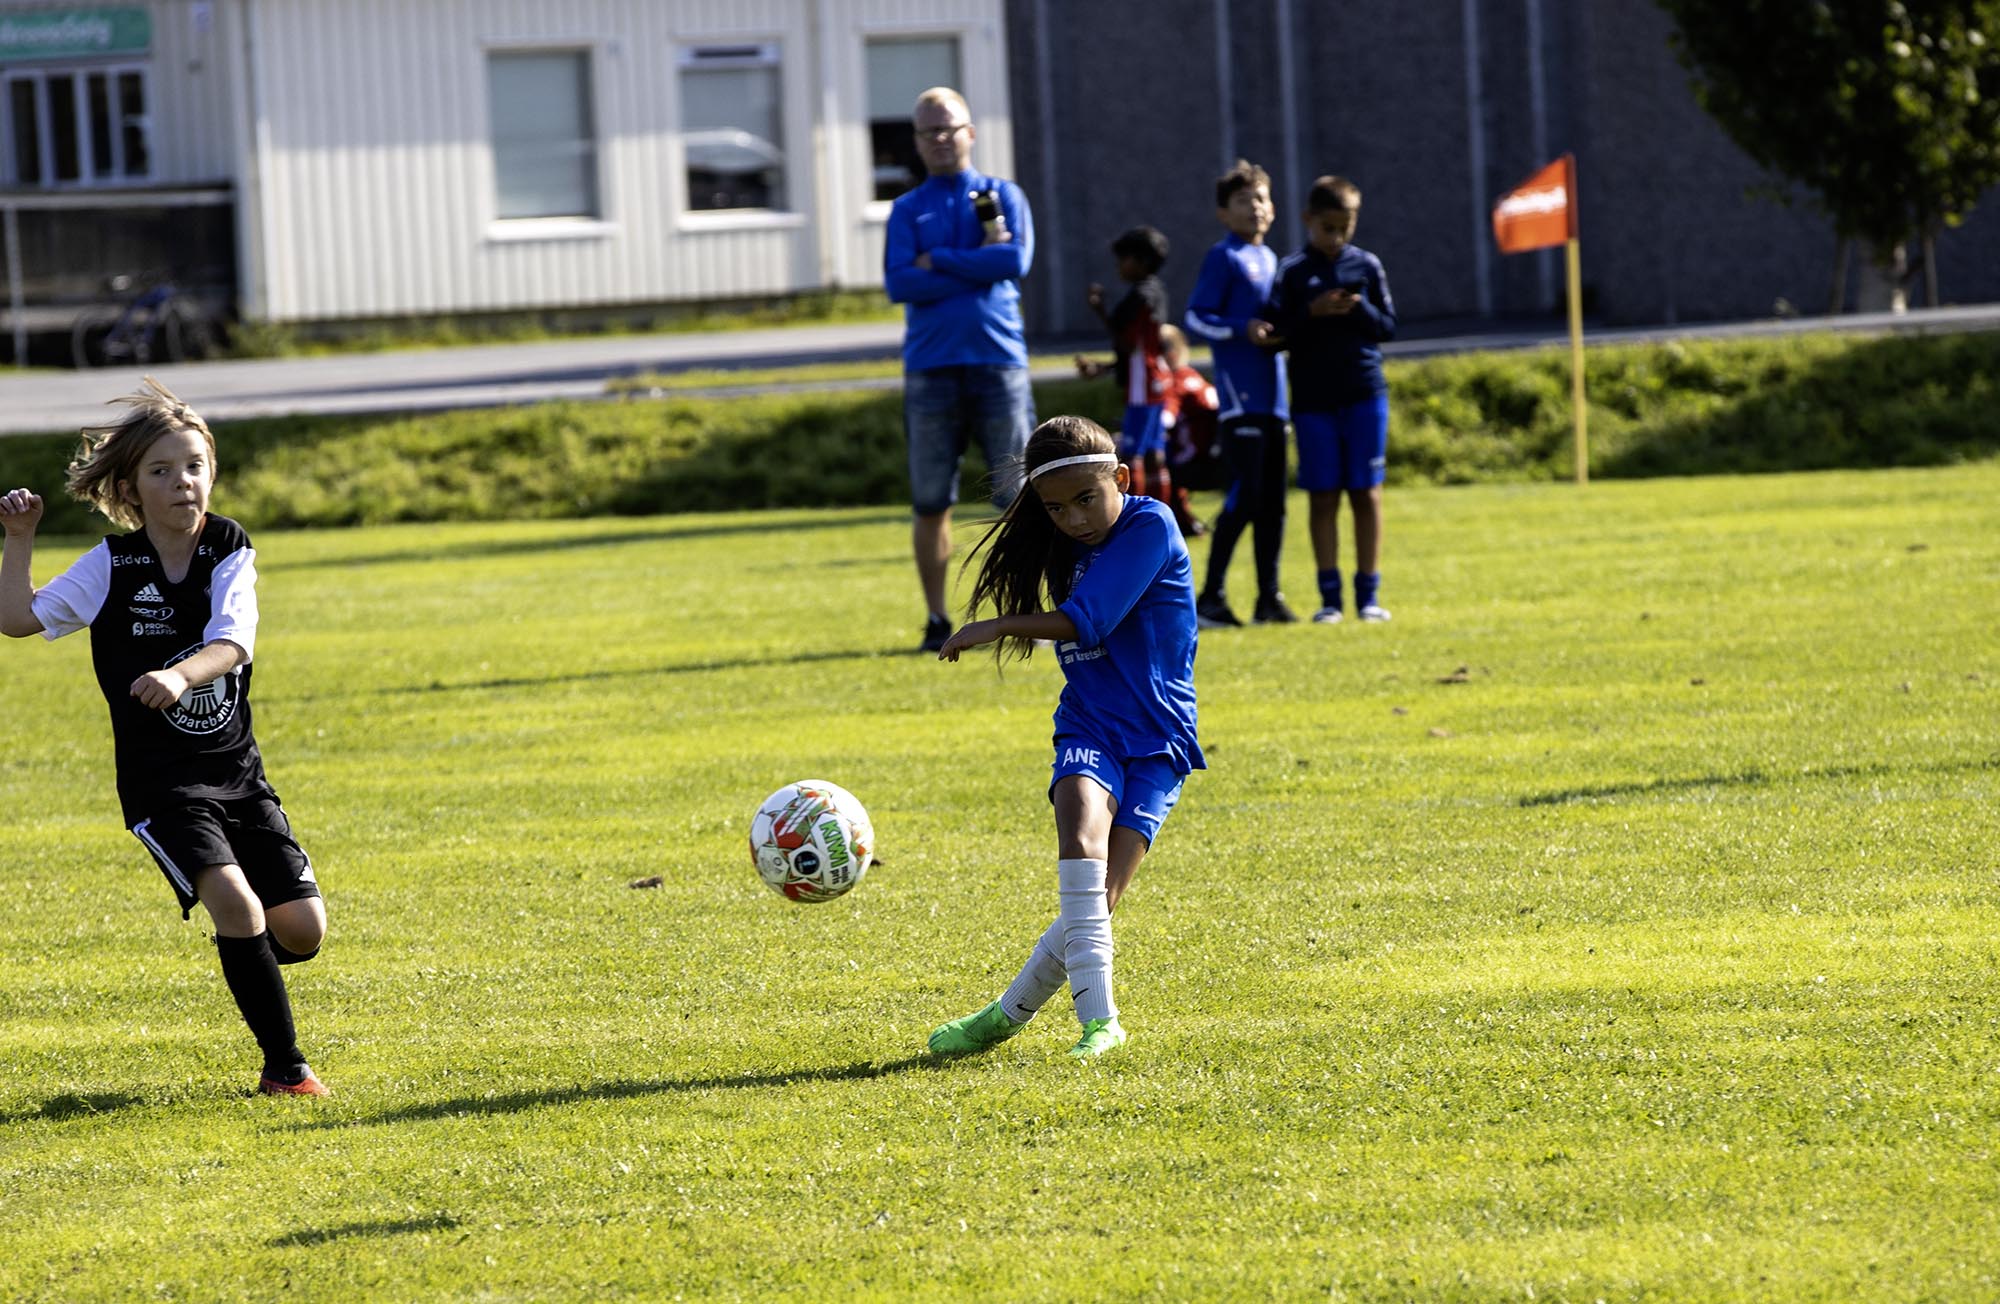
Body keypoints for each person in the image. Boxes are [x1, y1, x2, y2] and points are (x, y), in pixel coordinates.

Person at [0, 379, 330, 1097]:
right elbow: (19, 620)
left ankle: (247, 956)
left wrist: (179, 677)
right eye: (161, 470)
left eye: (194, 466)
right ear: (131, 487)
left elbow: (232, 640)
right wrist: (19, 542)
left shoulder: (229, 546)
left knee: (302, 929)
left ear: (211, 471)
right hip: (163, 784)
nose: (182, 482)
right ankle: (287, 1070)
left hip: (239, 773)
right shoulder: (112, 566)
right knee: (238, 908)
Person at [927, 415, 1203, 1061]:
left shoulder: (1149, 524)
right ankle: (1101, 1023)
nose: (1075, 519)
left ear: (1121, 478)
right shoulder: (1060, 545)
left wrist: (995, 628)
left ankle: (1002, 1017)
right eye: (1055, 507)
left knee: (1097, 902)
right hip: (1088, 723)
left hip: (1160, 736)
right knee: (1080, 842)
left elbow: (1091, 620)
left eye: (1087, 498)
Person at [883, 86, 1037, 653]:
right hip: (931, 368)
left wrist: (940, 261)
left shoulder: (1003, 194)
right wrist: (978, 267)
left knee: (1016, 495)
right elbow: (900, 282)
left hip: (998, 360)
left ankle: (1024, 613)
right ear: (918, 142)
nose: (941, 140)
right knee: (931, 500)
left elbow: (1015, 260)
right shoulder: (906, 209)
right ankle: (935, 618)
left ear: (971, 132)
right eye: (929, 132)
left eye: (950, 128)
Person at [1266, 175, 1397, 623]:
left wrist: (1358, 308)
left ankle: (1369, 596)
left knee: (1366, 492)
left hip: (1364, 393)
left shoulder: (1367, 266)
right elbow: (1275, 332)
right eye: (1328, 227)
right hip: (1313, 400)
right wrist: (1311, 313)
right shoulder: (1292, 271)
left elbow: (1388, 327)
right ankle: (1329, 598)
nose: (1337, 236)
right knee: (1323, 496)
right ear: (1308, 220)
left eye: (1346, 226)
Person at [1183, 159, 1294, 627]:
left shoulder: (1274, 261)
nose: (1256, 208)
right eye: (1244, 201)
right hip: (1239, 397)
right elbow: (1196, 317)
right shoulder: (1222, 257)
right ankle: (1211, 597)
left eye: (1262, 199)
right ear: (1223, 213)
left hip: (1275, 398)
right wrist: (1240, 328)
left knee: (1274, 501)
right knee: (1246, 495)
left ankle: (1268, 598)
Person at [1075, 226, 1175, 520]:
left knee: (1132, 455)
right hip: (1158, 380)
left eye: (1123, 260)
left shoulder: (1139, 297)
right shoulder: (1158, 291)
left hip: (1143, 386)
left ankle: (1138, 516)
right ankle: (1165, 513)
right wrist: (1103, 368)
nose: (1119, 267)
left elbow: (1128, 343)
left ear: (1141, 261)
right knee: (1155, 453)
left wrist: (1100, 310)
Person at [1159, 323, 1218, 536]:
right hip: (1219, 461)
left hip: (1191, 464)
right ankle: (1185, 521)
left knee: (1150, 459)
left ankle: (1176, 523)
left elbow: (1165, 420)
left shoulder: (1175, 384)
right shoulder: (1196, 377)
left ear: (1170, 355)